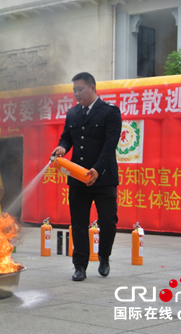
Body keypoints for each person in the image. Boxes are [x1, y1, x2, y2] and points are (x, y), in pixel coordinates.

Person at [51, 72, 122, 282]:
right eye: (74, 90)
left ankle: (104, 257)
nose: (76, 94)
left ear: (92, 88)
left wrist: (97, 170)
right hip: (78, 177)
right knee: (78, 223)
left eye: (80, 89)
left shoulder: (110, 112)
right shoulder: (72, 113)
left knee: (108, 222)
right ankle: (80, 265)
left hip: (104, 177)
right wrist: (62, 148)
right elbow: (66, 138)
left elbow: (110, 144)